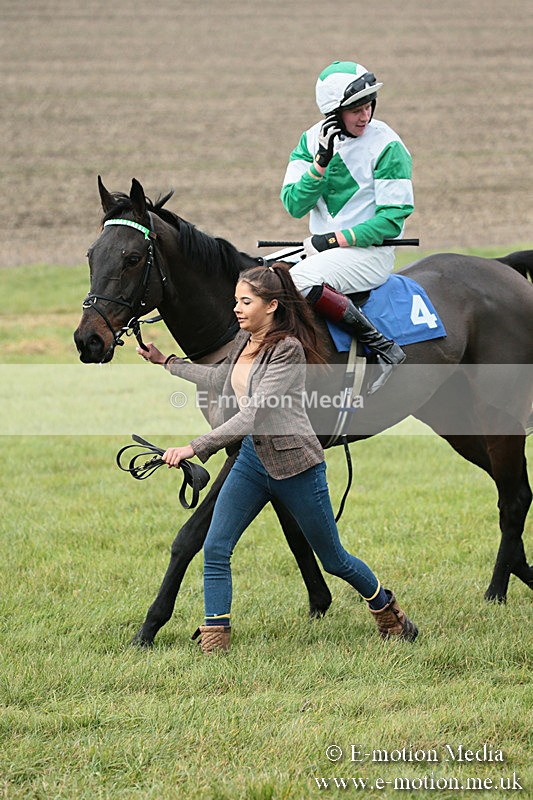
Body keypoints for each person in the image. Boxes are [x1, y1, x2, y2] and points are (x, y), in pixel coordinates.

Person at [137, 265, 417, 653]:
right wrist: (166, 362)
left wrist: (194, 447)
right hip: (253, 462)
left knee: (334, 559)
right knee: (217, 547)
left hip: (296, 466)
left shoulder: (287, 351)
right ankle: (215, 640)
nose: (236, 308)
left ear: (271, 306)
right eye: (235, 300)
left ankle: (387, 610)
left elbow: (254, 414)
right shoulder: (244, 340)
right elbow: (219, 379)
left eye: (245, 302)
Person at [280, 60, 414, 371]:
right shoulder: (311, 141)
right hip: (321, 251)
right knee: (256, 277)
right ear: (333, 113)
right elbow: (293, 205)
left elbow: (391, 221)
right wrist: (319, 166)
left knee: (299, 280)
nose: (365, 114)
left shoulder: (388, 145)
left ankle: (382, 346)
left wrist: (334, 239)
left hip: (369, 255)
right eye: (355, 108)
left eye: (369, 104)